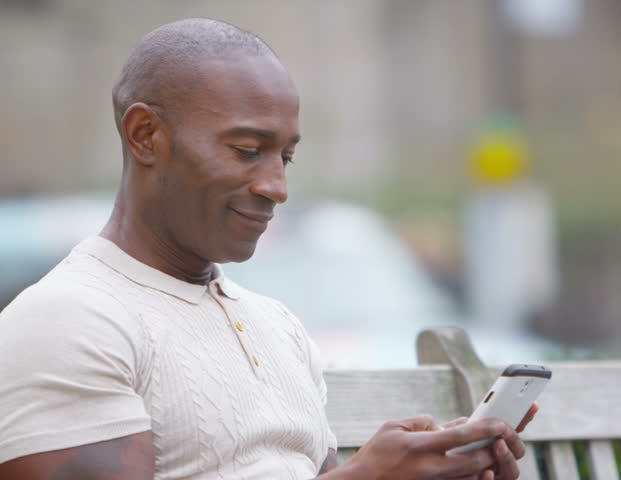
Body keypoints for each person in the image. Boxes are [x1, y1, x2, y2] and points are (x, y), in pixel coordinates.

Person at [0, 18, 537, 480]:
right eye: (247, 150)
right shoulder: (67, 320)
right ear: (145, 135)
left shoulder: (276, 325)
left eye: (285, 158)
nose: (276, 186)